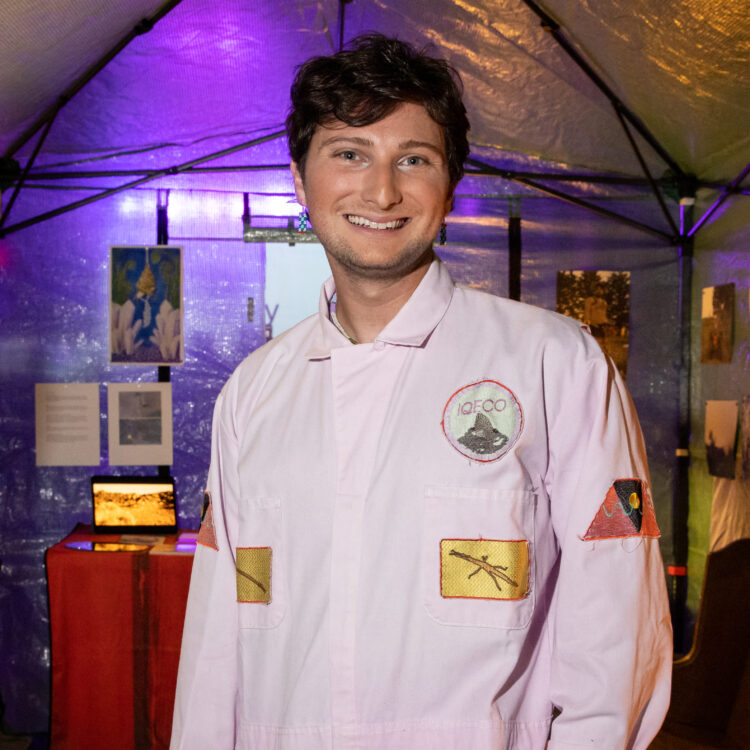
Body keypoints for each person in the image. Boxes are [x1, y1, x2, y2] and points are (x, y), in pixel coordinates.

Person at [171, 33, 672, 750]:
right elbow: (217, 643)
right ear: (298, 177)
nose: (381, 192)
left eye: (414, 159)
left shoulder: (554, 362)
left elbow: (617, 632)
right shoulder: (252, 394)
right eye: (349, 153)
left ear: (451, 186)